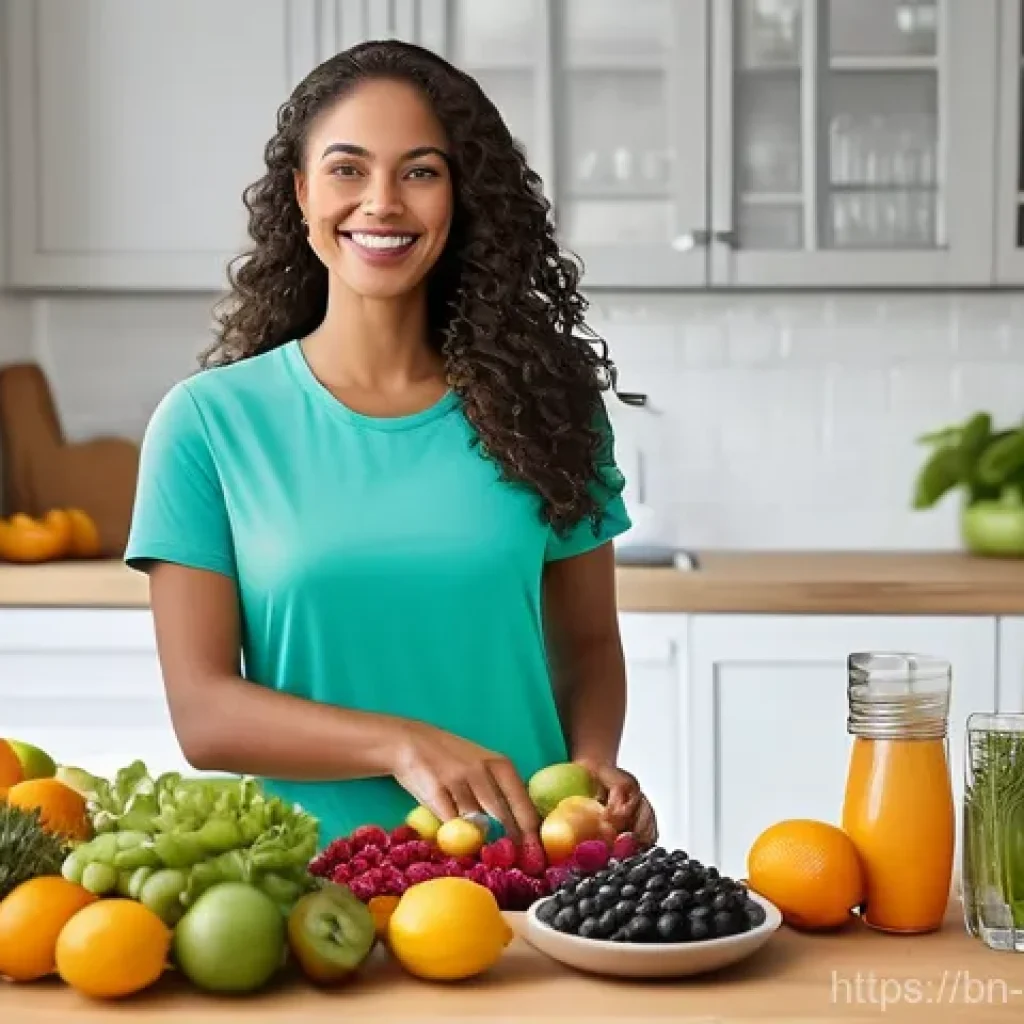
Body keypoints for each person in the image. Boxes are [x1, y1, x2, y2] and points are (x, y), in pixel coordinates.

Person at [124, 39, 657, 851]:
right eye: (347, 169)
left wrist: (594, 774)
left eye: (420, 171)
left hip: (522, 891)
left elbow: (587, 648)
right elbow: (204, 713)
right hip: (305, 898)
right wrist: (401, 743)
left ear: (460, 197)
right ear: (302, 195)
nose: (382, 201)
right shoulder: (208, 425)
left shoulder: (549, 409)